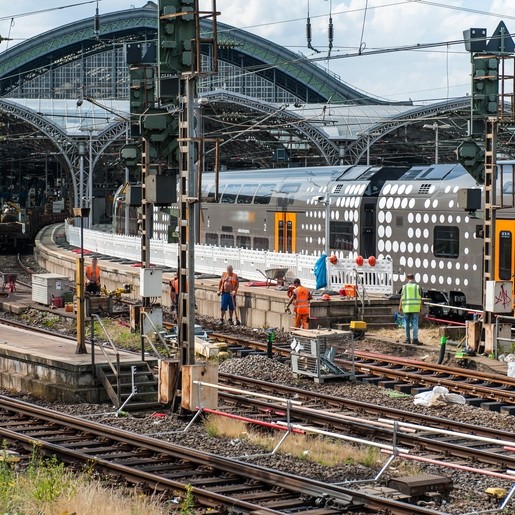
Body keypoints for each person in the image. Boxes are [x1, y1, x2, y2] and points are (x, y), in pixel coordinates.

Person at [399, 273, 423, 345]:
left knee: (406, 324)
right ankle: (415, 339)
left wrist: (400, 306)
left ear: (407, 278)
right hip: (415, 308)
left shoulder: (404, 287)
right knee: (415, 324)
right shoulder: (417, 287)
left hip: (406, 307)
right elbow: (420, 298)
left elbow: (401, 298)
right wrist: (420, 307)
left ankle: (407, 340)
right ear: (414, 278)